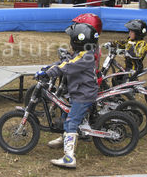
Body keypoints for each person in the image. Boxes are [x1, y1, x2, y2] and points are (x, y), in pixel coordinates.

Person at [35, 23, 99, 168]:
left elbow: (68, 66)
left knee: (71, 122)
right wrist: (48, 68)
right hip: (78, 91)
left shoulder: (86, 57)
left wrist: (49, 73)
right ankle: (65, 138)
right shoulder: (81, 54)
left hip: (83, 95)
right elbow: (65, 61)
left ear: (77, 41)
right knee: (65, 114)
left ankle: (69, 158)